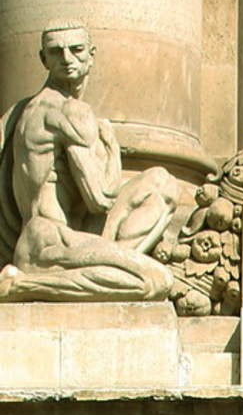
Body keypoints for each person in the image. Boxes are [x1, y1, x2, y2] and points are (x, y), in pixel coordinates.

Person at [0, 23, 179, 303]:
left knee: (162, 183)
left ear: (91, 55)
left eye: (76, 50)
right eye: (56, 52)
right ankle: (22, 285)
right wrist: (111, 147)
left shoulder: (23, 109)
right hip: (47, 242)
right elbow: (101, 198)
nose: (67, 59)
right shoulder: (69, 110)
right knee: (155, 281)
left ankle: (108, 264)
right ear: (43, 59)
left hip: (62, 235)